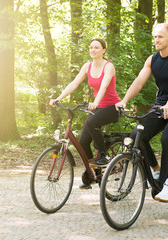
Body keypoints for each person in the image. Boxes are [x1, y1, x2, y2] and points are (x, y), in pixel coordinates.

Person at [115, 23, 168, 202]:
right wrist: (124, 100)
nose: (156, 40)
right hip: (160, 106)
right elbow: (139, 82)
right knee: (137, 135)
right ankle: (156, 169)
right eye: (155, 37)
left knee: (167, 138)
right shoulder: (152, 59)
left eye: (160, 36)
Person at [50, 39, 120, 188]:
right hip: (97, 108)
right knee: (82, 143)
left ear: (103, 51)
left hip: (112, 107)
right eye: (91, 47)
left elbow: (104, 85)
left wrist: (96, 102)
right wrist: (58, 98)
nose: (93, 50)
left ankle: (104, 156)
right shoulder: (87, 66)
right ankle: (91, 172)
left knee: (91, 122)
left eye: (97, 47)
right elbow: (74, 84)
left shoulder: (109, 67)